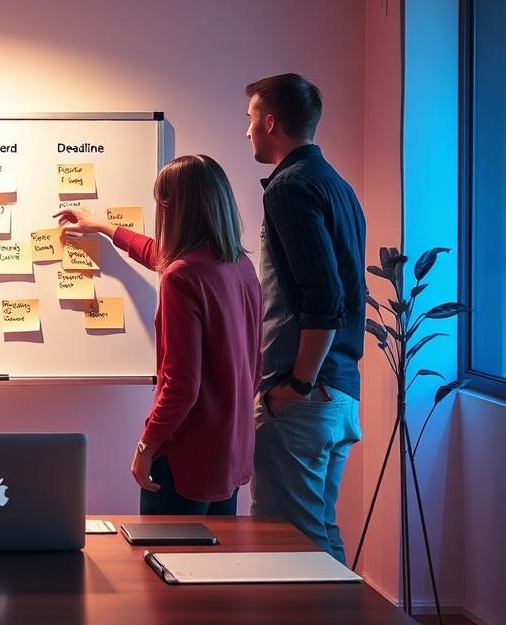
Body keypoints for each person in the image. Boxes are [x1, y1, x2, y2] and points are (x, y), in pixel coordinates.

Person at [56, 154, 262, 515]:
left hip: (185, 454)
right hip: (228, 449)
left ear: (171, 207)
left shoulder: (182, 277)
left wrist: (146, 446)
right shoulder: (239, 265)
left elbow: (181, 384)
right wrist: (105, 227)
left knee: (164, 565)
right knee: (211, 565)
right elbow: (160, 254)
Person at [244, 73, 366, 563]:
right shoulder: (338, 186)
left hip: (305, 399)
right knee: (319, 535)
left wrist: (295, 384)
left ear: (271, 122)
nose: (247, 130)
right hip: (339, 392)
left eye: (250, 119)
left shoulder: (288, 188)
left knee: (287, 550)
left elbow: (325, 297)